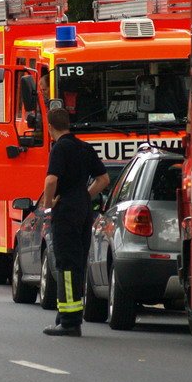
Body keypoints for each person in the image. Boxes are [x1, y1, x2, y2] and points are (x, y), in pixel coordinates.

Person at [40, 107, 109, 336]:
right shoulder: (84, 147)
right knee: (78, 262)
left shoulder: (60, 148)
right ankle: (69, 315)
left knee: (66, 264)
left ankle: (69, 321)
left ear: (50, 127)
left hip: (66, 212)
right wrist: (84, 196)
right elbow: (103, 179)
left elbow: (51, 180)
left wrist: (48, 203)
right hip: (83, 209)